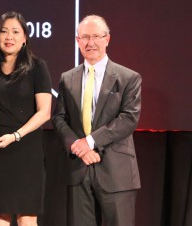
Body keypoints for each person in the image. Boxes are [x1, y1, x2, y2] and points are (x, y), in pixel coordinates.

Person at [52, 15, 142, 226]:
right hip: (78, 170)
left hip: (117, 172)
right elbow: (59, 118)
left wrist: (90, 142)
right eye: (85, 37)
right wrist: (78, 146)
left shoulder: (128, 77)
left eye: (96, 37)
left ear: (107, 39)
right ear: (78, 41)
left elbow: (129, 118)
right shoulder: (67, 78)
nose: (90, 42)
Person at [0, 11, 52, 226]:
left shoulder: (37, 67)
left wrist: (16, 135)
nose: (9, 37)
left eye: (16, 32)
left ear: (25, 38)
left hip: (26, 151)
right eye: (4, 31)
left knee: (27, 219)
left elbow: (44, 112)